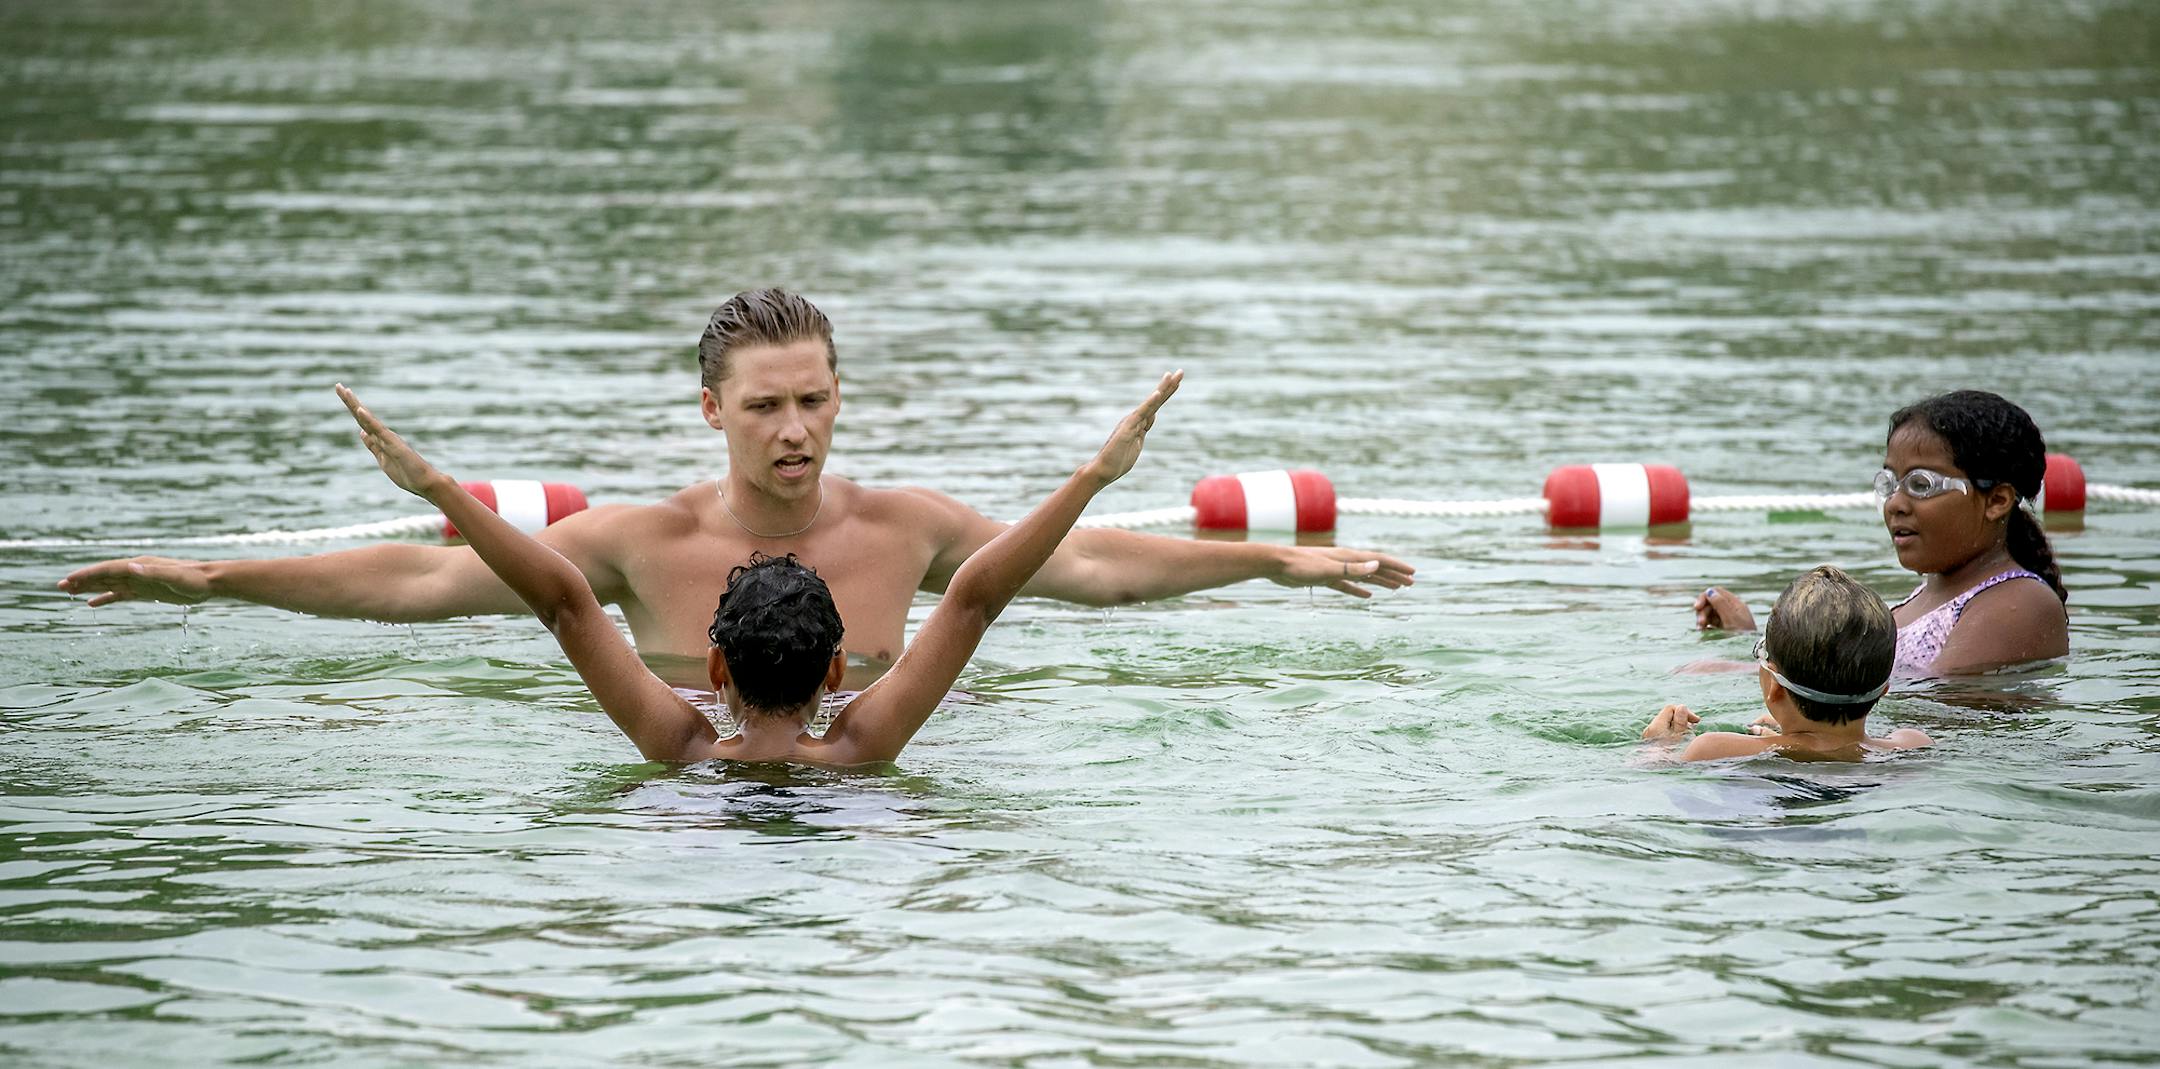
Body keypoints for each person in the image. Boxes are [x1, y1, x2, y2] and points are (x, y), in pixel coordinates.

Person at [58, 290, 1413, 687]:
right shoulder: (640, 541)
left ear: (840, 398)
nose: (795, 430)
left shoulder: (907, 528)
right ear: (713, 411)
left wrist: (1272, 563)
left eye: (814, 399)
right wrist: (209, 577)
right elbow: (421, 581)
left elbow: (1092, 567)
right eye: (765, 406)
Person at [335, 371, 1180, 766]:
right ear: (838, 669)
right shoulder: (861, 745)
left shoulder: (680, 743)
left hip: (685, 838)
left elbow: (561, 601)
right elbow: (976, 597)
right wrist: (1093, 476)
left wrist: (437, 483)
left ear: (713, 668)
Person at [1694, 390, 2067, 676]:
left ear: (1997, 500)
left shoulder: (2021, 604)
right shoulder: (1920, 601)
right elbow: (1845, 693)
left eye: (1922, 484)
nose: (1895, 504)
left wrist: (1751, 674)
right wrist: (1750, 645)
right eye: (1891, 482)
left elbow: (1926, 706)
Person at [1647, 566, 1930, 762]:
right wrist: (1790, 736)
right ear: (1883, 690)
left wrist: (1657, 747)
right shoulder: (1912, 744)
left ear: (1774, 686)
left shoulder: (1713, 749)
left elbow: (1653, 782)